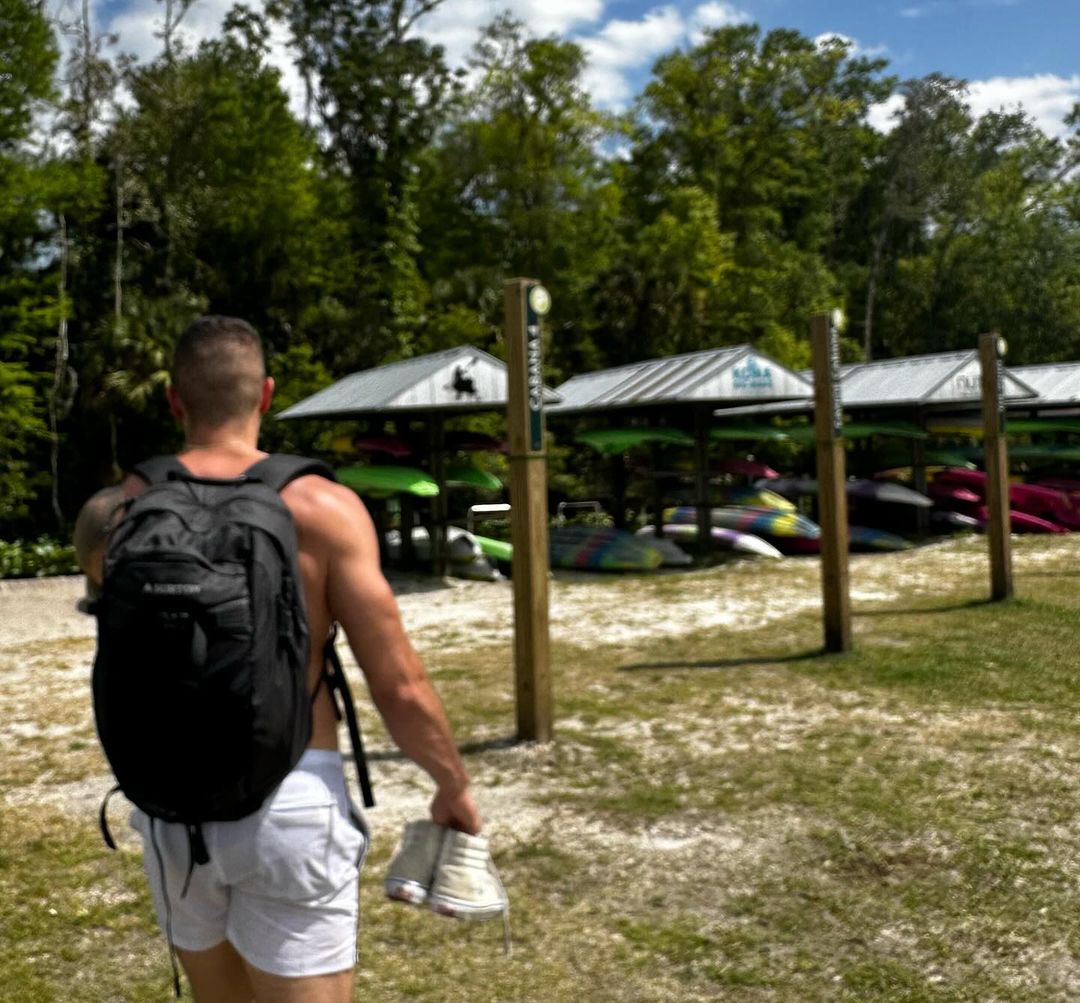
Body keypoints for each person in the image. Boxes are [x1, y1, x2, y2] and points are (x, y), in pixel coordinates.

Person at [74, 315, 482, 1003]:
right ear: (265, 394)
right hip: (291, 798)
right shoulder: (322, 508)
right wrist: (453, 784)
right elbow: (399, 683)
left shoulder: (118, 511)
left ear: (175, 400)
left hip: (170, 806)